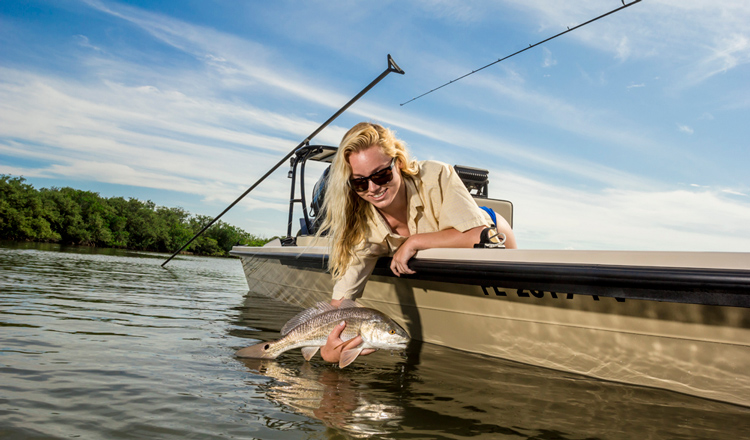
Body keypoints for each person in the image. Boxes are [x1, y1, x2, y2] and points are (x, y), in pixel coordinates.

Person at [316, 122, 517, 363]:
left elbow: (478, 235)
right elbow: (341, 304)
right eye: (360, 182)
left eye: (382, 174)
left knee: (511, 305)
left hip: (491, 228)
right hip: (461, 243)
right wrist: (327, 350)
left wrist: (414, 241)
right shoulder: (361, 226)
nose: (373, 188)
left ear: (398, 162)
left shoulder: (437, 174)